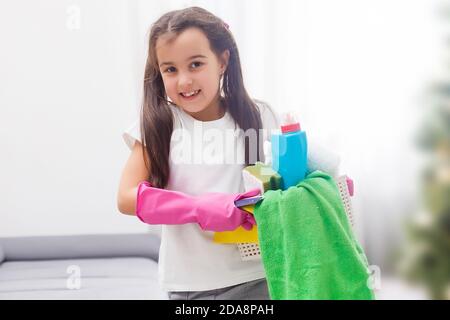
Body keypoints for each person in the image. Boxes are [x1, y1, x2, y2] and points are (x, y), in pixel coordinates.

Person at [117, 6, 281, 300]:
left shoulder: (258, 116)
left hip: (259, 275)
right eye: (170, 69)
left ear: (222, 61)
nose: (184, 81)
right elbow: (127, 198)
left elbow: (274, 183)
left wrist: (316, 185)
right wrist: (198, 208)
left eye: (195, 64)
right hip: (190, 284)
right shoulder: (162, 124)